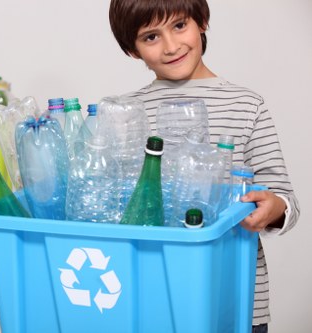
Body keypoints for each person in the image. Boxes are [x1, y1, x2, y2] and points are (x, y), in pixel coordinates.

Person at [108, 0, 300, 332]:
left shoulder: (246, 105)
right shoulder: (127, 111)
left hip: (236, 300)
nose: (171, 46)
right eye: (151, 37)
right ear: (132, 50)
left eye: (179, 26)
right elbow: (113, 198)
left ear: (202, 21)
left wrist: (274, 208)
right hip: (151, 299)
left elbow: (283, 197)